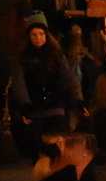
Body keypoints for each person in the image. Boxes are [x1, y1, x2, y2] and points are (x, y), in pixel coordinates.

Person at [8, 18, 82, 159]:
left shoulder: (57, 55)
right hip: (33, 106)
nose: (38, 38)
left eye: (41, 34)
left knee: (58, 142)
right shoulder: (22, 58)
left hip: (55, 104)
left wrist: (78, 99)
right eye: (34, 35)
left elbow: (70, 79)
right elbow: (19, 83)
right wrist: (25, 103)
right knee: (37, 146)